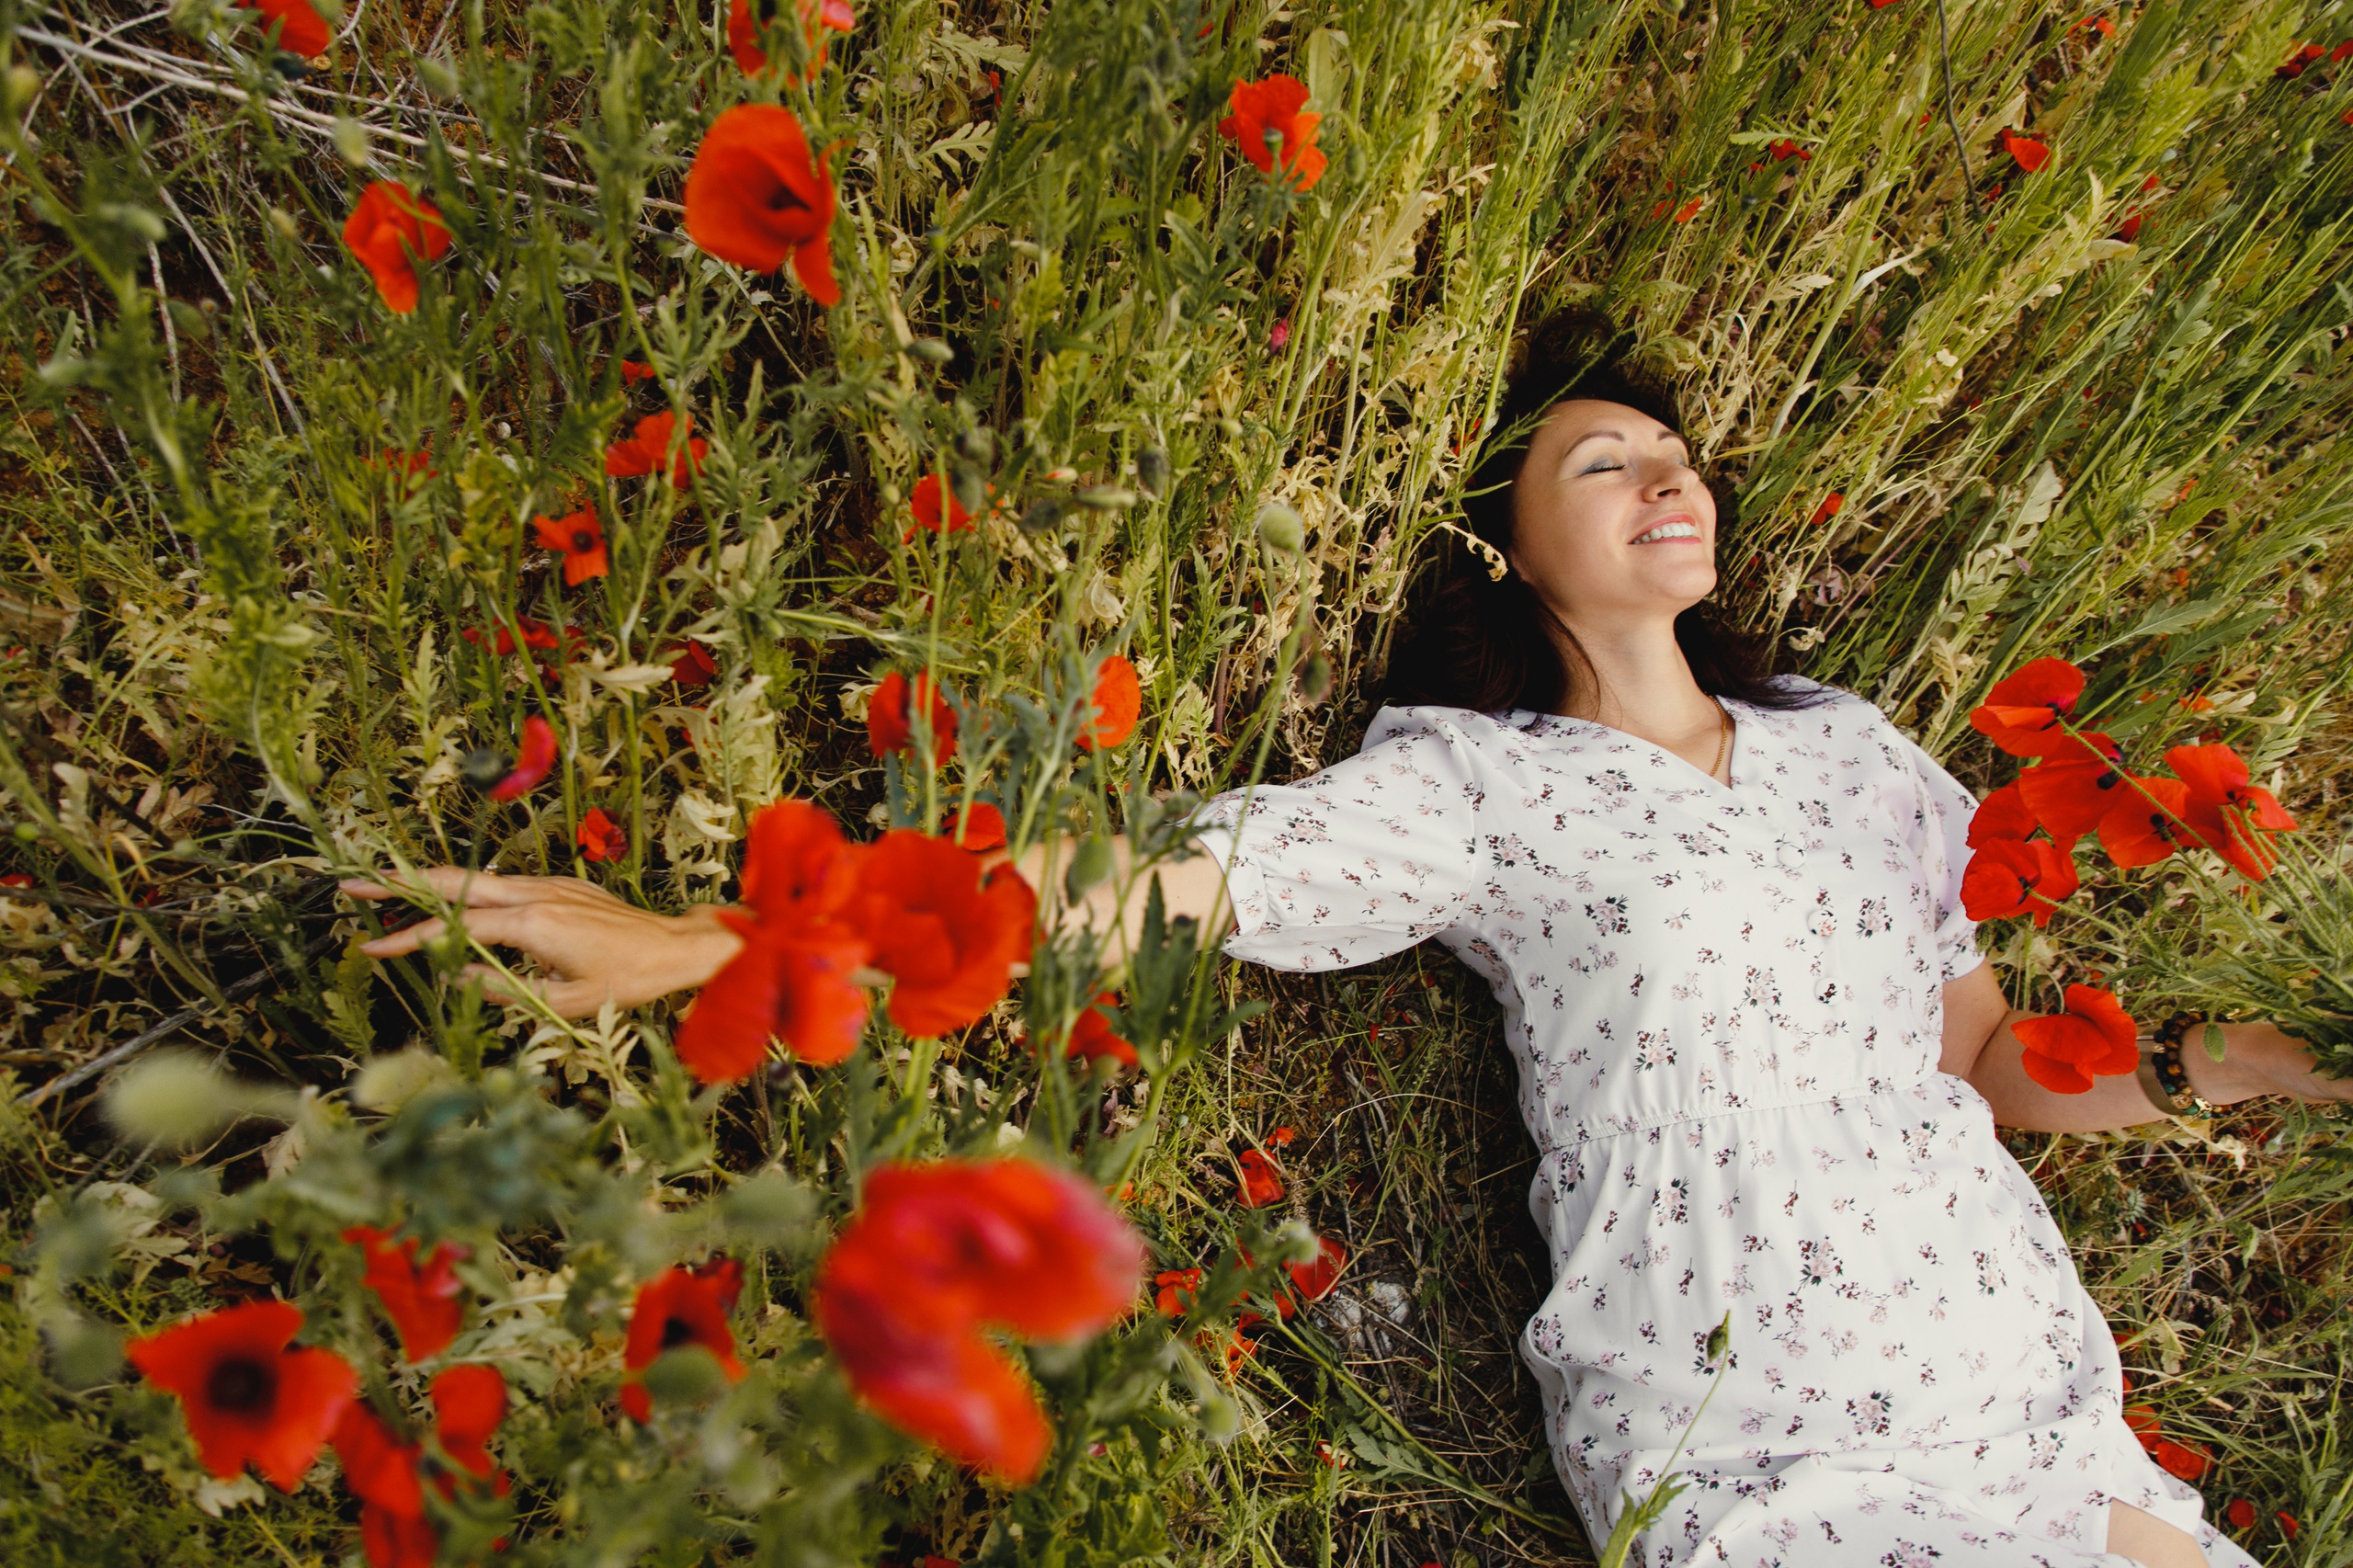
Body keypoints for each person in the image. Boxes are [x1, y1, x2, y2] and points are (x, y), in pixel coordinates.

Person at [346, 319, 2348, 1568]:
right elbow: (1137, 890)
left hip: (2019, 1377)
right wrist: (724, 943)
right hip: (1765, 1415)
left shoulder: (1859, 753)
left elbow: (1992, 1058)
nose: (1664, 475)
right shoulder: (1478, 789)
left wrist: (2230, 1067)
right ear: (1505, 548)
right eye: (1600, 460)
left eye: (1674, 452)